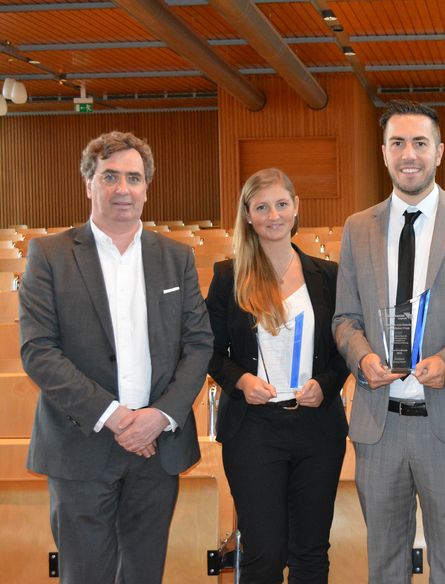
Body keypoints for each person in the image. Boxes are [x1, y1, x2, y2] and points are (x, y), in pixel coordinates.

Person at [18, 131, 213, 584]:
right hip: (79, 448)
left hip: (156, 448)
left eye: (133, 178)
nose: (122, 188)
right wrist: (117, 418)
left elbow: (198, 344)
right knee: (84, 576)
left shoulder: (175, 257)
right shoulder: (50, 255)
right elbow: (38, 351)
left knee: (145, 575)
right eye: (110, 177)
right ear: (89, 183)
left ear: (147, 187)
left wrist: (159, 414)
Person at [333, 99, 445, 583]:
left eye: (420, 143)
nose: (409, 153)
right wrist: (361, 356)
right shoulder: (357, 227)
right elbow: (344, 317)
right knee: (384, 565)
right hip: (378, 422)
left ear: (439, 152)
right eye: (398, 143)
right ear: (383, 153)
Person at [206, 168, 348, 583]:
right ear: (248, 215)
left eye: (281, 204)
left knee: (310, 552)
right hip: (253, 430)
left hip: (316, 428)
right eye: (262, 207)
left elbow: (344, 351)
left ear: (296, 207)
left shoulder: (328, 275)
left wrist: (326, 384)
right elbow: (209, 353)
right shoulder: (227, 277)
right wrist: (240, 381)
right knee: (263, 553)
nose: (273, 215)